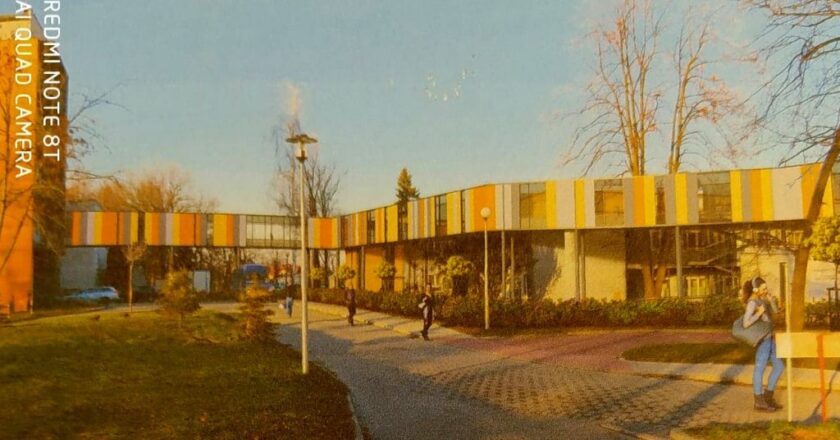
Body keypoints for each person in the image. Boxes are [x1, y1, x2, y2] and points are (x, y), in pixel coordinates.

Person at [742, 276, 784, 412]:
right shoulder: (752, 303)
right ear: (755, 289)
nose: (766, 290)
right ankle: (758, 401)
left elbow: (776, 313)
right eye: (763, 288)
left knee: (779, 366)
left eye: (766, 288)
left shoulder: (762, 300)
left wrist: (771, 301)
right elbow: (746, 323)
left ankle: (768, 397)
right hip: (762, 341)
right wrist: (758, 313)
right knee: (759, 369)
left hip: (770, 339)